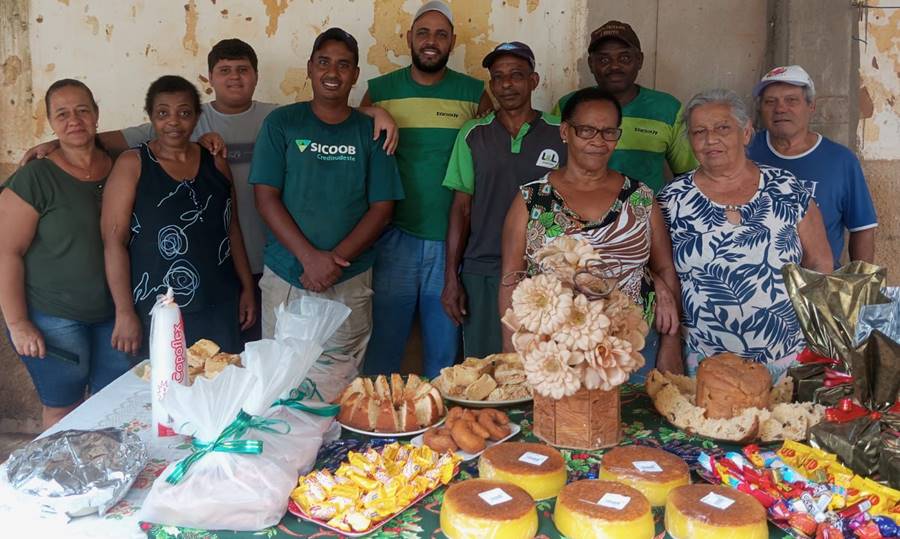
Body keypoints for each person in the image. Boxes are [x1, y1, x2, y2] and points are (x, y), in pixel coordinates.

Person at [20, 39, 398, 344]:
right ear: (209, 78)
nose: (234, 78)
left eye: (242, 70)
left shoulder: (277, 117)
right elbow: (115, 138)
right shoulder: (185, 118)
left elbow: (328, 108)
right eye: (224, 71)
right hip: (228, 269)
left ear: (255, 76)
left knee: (253, 364)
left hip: (261, 267)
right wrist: (59, 144)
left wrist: (373, 114)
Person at [249, 28, 404, 401]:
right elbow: (265, 196)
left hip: (348, 278)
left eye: (343, 64)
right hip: (287, 273)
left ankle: (338, 459)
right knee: (280, 383)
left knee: (340, 386)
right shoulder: (283, 124)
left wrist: (334, 262)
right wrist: (309, 258)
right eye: (323, 62)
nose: (332, 72)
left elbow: (382, 207)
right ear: (309, 68)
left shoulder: (371, 130)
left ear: (354, 74)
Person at [500, 87, 683, 377]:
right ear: (565, 132)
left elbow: (662, 266)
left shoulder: (640, 197)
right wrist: (513, 351)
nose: (598, 141)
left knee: (633, 422)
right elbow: (511, 278)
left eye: (609, 132)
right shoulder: (532, 200)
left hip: (634, 349)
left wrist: (671, 342)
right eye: (586, 131)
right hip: (554, 353)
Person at [657, 89, 834, 381]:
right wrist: (670, 343)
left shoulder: (788, 189)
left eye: (722, 128)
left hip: (786, 357)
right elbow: (662, 274)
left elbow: (820, 264)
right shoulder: (671, 200)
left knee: (780, 426)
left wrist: (817, 342)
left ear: (746, 132)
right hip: (702, 358)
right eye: (699, 131)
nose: (710, 139)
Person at [361, 0, 493, 378]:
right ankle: (379, 430)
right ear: (409, 39)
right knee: (384, 349)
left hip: (451, 242)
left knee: (444, 355)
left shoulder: (473, 93)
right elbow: (349, 130)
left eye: (440, 34)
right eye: (423, 33)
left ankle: (443, 430)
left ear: (452, 42)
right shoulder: (381, 90)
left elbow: (490, 156)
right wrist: (372, 112)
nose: (431, 41)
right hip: (393, 238)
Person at [0, 80, 131, 428]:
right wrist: (18, 324)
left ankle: (107, 478)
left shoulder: (124, 165)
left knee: (115, 405)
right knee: (63, 410)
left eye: (82, 110)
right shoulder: (36, 177)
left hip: (116, 315)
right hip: (54, 318)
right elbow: (6, 252)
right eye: (62, 114)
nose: (74, 120)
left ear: (97, 115)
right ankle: (60, 478)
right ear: (50, 122)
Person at [102, 75, 256, 356]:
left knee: (221, 386)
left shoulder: (215, 161)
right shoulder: (133, 164)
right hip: (159, 307)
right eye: (163, 113)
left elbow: (231, 228)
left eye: (184, 113)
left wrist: (246, 287)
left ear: (197, 116)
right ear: (150, 116)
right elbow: (114, 242)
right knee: (165, 390)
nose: (173, 121)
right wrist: (124, 311)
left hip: (219, 300)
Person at [441, 42, 566, 359]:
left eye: (516, 75)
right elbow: (461, 208)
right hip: (483, 269)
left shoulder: (561, 134)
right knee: (485, 367)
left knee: (542, 366)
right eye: (498, 77)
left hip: (544, 273)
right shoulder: (473, 134)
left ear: (534, 80)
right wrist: (451, 279)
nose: (507, 85)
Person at [748, 65, 877, 269]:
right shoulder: (745, 152)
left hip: (818, 283)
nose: (780, 108)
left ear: (811, 106)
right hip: (757, 283)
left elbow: (862, 228)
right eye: (770, 102)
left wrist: (861, 284)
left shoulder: (841, 160)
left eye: (791, 100)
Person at [552, 20, 696, 193]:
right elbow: (551, 164)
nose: (614, 66)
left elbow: (688, 176)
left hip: (648, 215)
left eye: (625, 58)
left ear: (639, 60)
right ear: (591, 64)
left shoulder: (667, 109)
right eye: (604, 59)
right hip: (577, 214)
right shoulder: (568, 105)